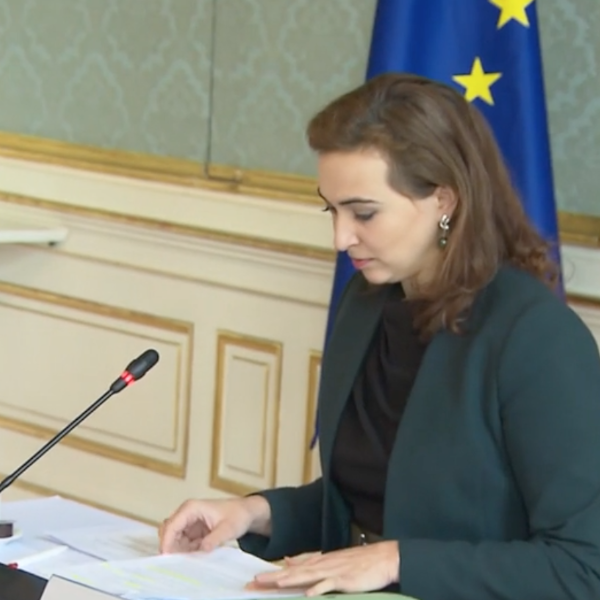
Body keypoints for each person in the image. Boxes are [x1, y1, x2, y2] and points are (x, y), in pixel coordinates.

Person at [158, 73, 600, 600]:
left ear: (444, 199)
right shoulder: (367, 303)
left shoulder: (536, 338)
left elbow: (583, 566)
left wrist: (396, 561)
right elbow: (373, 498)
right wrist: (255, 512)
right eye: (332, 209)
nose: (341, 237)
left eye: (363, 213)